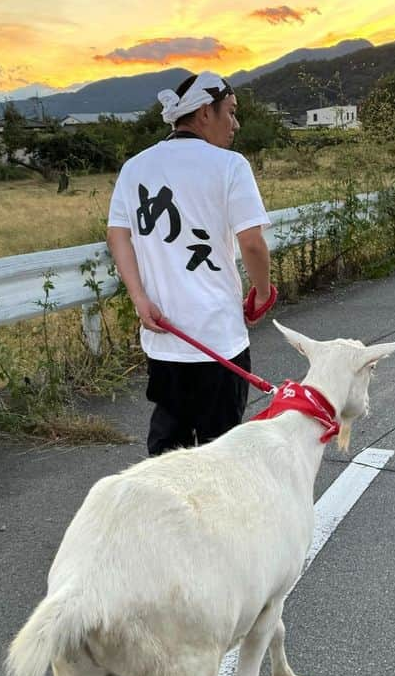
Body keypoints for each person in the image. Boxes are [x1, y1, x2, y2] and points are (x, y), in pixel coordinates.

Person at [107, 71, 274, 455]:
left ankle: (164, 515)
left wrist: (139, 299)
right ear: (204, 113)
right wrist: (263, 293)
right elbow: (252, 243)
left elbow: (118, 236)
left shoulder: (135, 167)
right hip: (219, 337)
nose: (236, 124)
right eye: (230, 113)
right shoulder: (230, 165)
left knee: (168, 452)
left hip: (164, 338)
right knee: (221, 454)